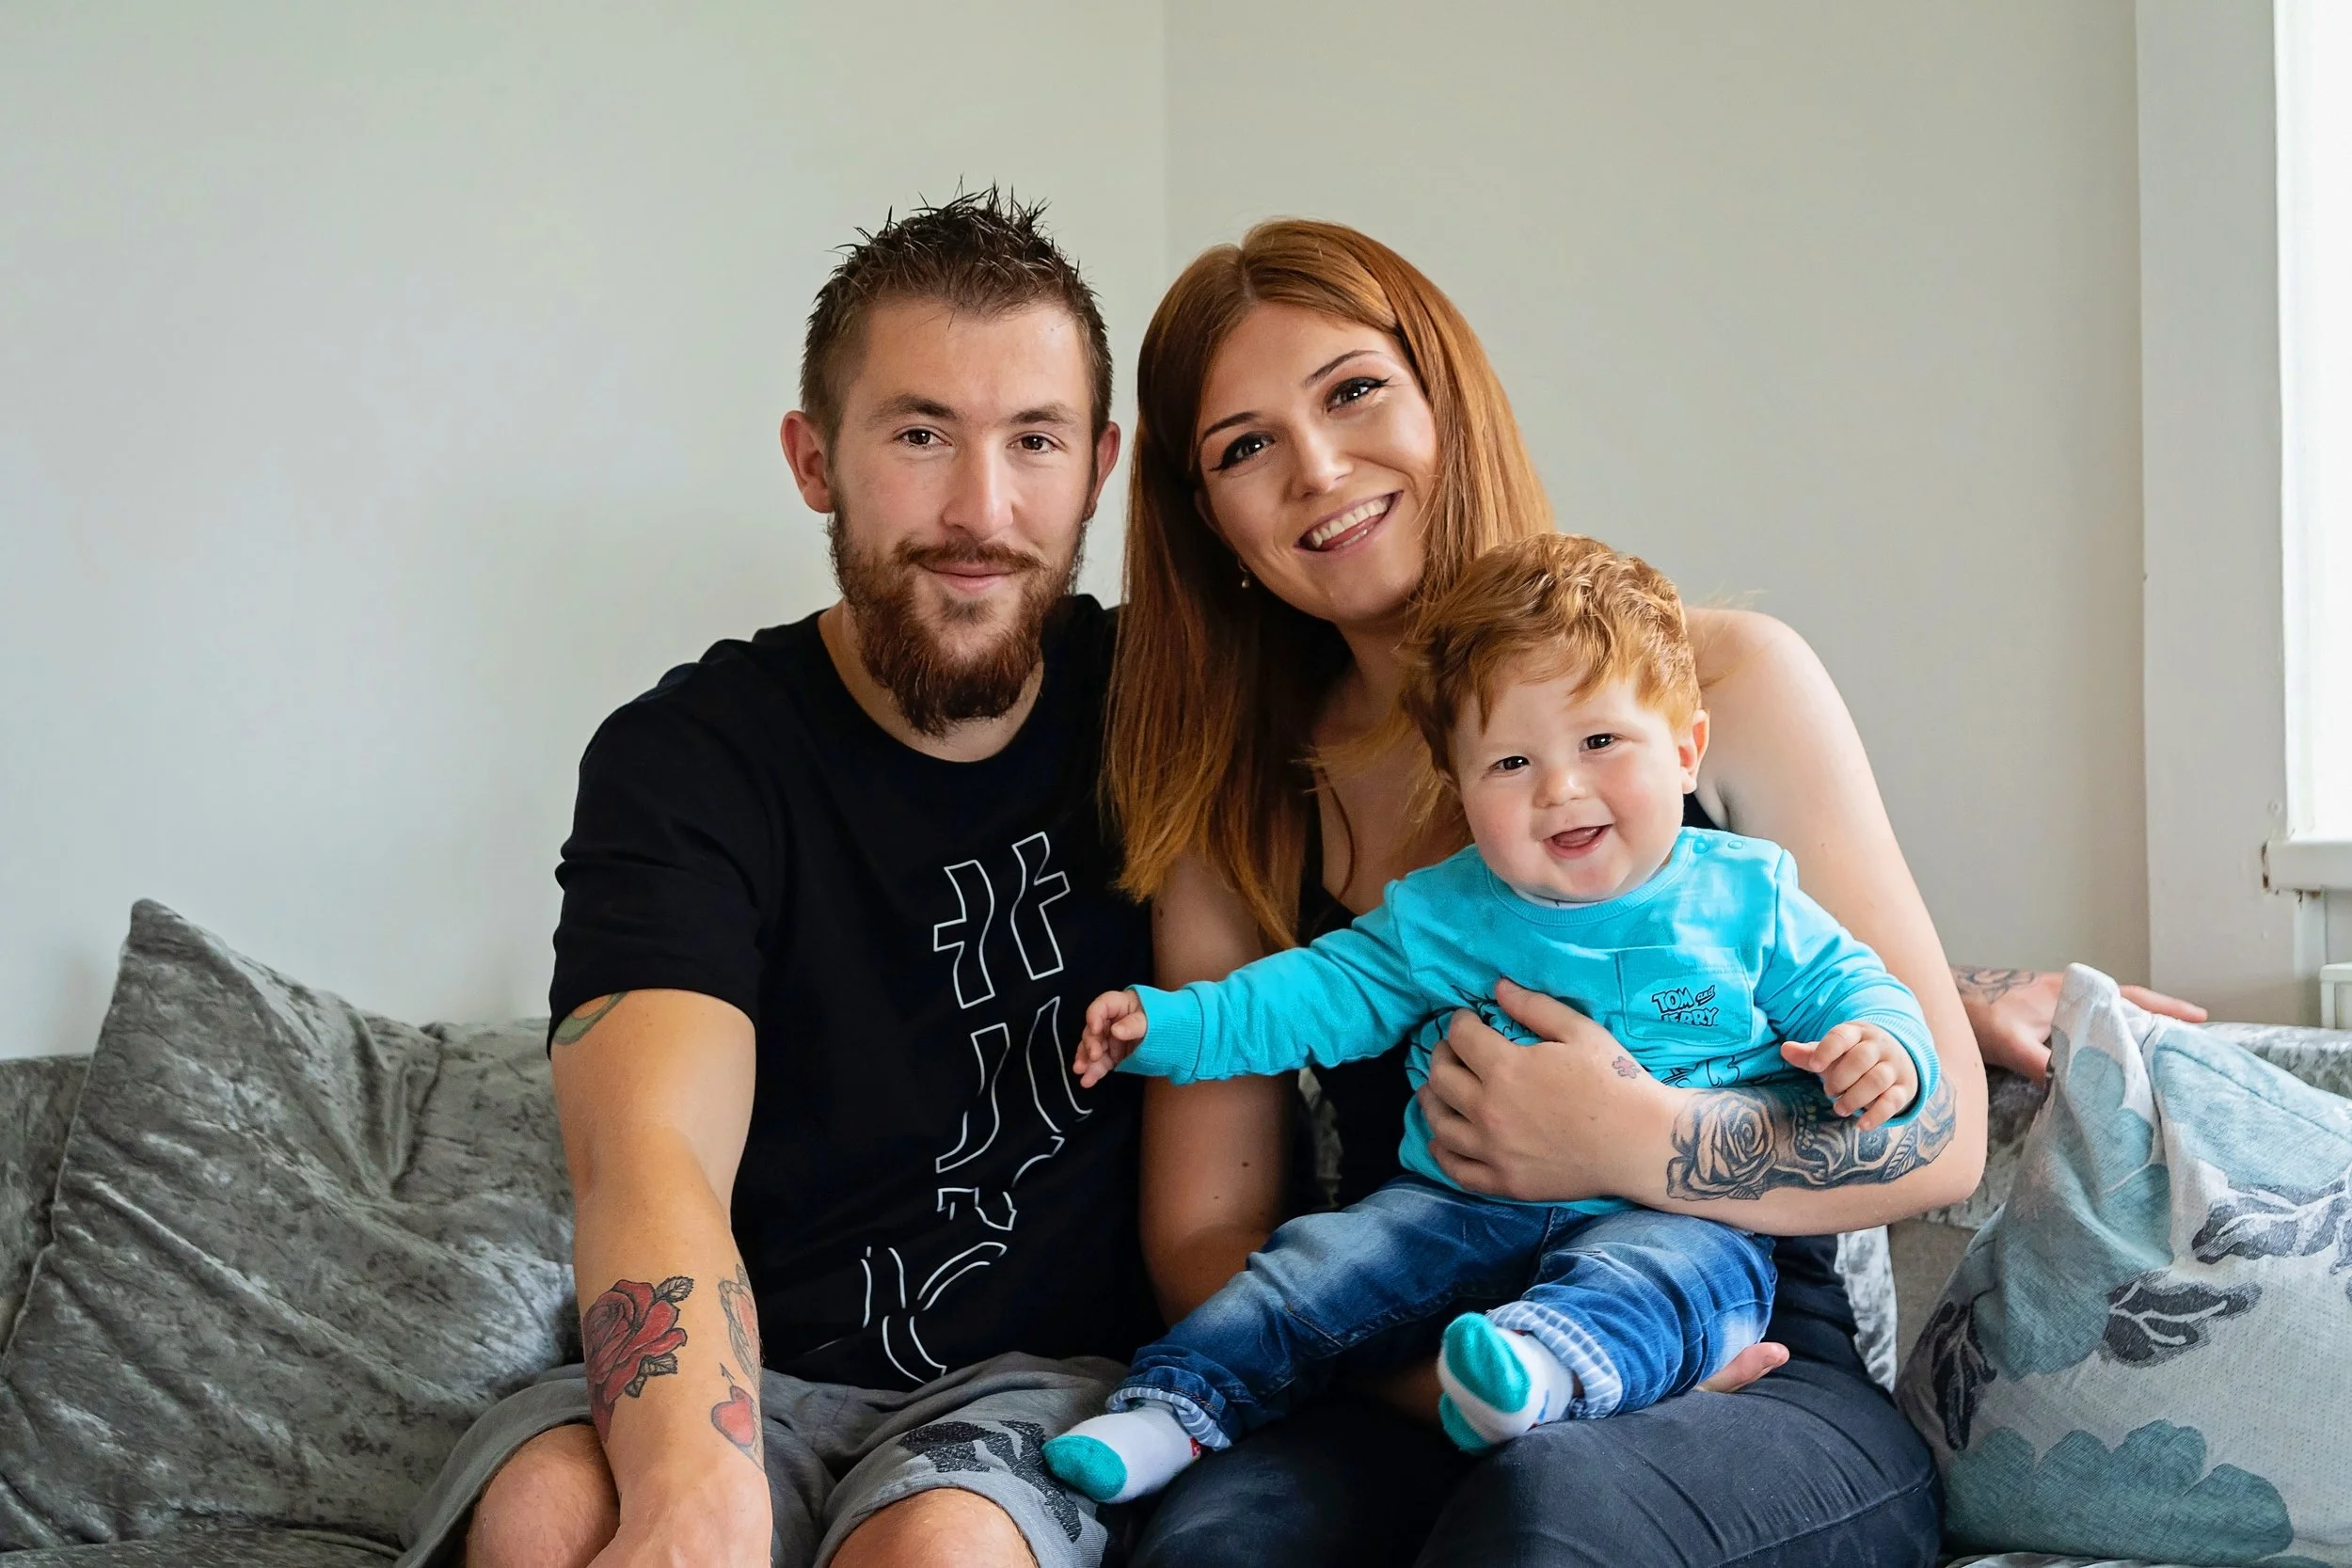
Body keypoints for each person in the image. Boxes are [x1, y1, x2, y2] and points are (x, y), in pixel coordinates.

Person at [1098, 216, 2002, 1567]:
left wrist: (1622, 1136)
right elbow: (1206, 1228)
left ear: (1443, 397)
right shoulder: (1237, 800)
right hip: (1410, 1349)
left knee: (1549, 1517)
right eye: (1246, 446)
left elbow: (1939, 1138)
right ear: (1208, 517)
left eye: (1352, 391)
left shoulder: (1725, 679)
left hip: (1732, 1350)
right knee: (1216, 1545)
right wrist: (1442, 1392)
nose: (1319, 469)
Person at [405, 191, 1153, 1568]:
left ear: (1098, 465)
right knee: (550, 1513)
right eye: (920, 433)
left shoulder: (1168, 708)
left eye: (1033, 440)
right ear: (817, 459)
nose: (981, 509)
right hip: (740, 1360)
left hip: (1036, 1384)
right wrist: (698, 1495)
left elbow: (1487, 663)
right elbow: (650, 1148)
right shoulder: (687, 756)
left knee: (937, 1551)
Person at [1044, 531, 1937, 1504]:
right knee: (1318, 1263)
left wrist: (1882, 1050)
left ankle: (1536, 1374)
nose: (1559, 787)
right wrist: (1167, 1026)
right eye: (1510, 761)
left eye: (1600, 741)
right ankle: (1173, 1409)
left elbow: (1861, 988)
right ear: (1461, 790)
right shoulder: (1448, 911)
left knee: (1674, 1282)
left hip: (1674, 1211)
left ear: (1684, 749)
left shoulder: (1747, 897)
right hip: (1457, 1205)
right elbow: (1310, 994)